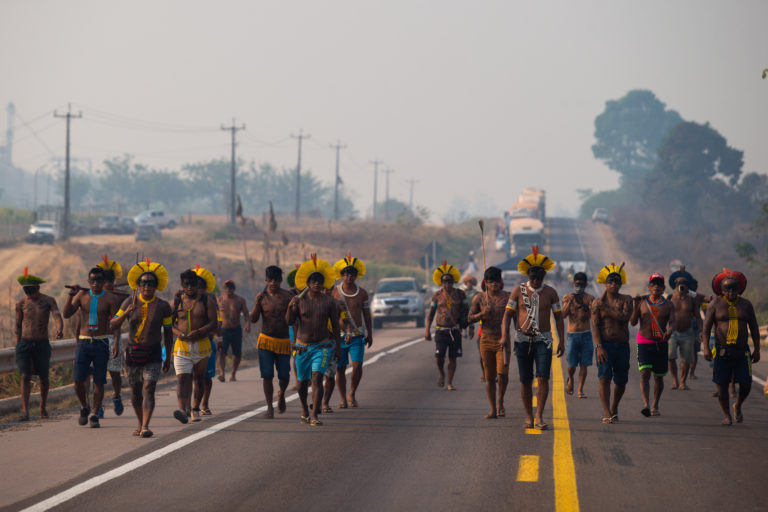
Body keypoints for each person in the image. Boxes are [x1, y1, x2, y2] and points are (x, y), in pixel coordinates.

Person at [501, 247, 564, 430]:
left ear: (544, 277)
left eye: (539, 278)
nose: (536, 282)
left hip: (543, 340)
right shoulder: (517, 291)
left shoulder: (551, 293)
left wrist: (562, 340)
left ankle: (539, 416)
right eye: (533, 278)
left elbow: (558, 318)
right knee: (525, 380)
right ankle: (528, 416)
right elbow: (507, 315)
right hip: (522, 339)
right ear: (528, 277)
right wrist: (504, 336)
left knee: (543, 378)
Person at [109, 260, 173, 437]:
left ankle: (145, 425)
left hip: (153, 353)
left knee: (149, 389)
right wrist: (127, 312)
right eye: (143, 283)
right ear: (138, 285)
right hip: (132, 354)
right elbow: (112, 325)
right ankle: (139, 422)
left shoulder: (163, 306)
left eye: (151, 283)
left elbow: (168, 333)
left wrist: (168, 357)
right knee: (135, 392)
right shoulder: (129, 302)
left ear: (156, 286)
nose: (147, 286)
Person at [286, 255, 341, 426]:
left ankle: (315, 414)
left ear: (324, 283)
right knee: (301, 383)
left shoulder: (330, 302)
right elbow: (289, 321)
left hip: (322, 346)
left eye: (319, 281)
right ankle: (304, 409)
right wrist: (290, 306)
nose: (317, 283)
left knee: (317, 378)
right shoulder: (299, 301)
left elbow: (336, 327)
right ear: (307, 284)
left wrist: (337, 347)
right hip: (302, 347)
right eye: (313, 281)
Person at [63, 266, 120, 428]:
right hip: (84, 342)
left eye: (99, 280)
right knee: (78, 380)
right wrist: (70, 295)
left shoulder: (110, 298)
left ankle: (94, 413)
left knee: (99, 381)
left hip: (101, 342)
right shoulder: (82, 295)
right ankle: (84, 406)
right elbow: (67, 314)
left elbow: (115, 323)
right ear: (88, 281)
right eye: (93, 280)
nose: (96, 283)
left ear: (103, 282)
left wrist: (116, 342)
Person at [701, 269, 761, 425]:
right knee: (721, 385)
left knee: (746, 383)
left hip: (742, 351)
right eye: (728, 290)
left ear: (739, 289)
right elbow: (706, 330)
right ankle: (726, 415)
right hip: (722, 350)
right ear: (722, 290)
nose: (731, 293)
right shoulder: (715, 305)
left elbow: (754, 328)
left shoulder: (746, 305)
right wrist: (706, 348)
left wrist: (757, 349)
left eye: (735, 289)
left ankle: (738, 405)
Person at [14, 268, 63, 421]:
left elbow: (56, 315)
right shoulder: (21, 303)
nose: (30, 294)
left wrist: (59, 329)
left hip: (42, 343)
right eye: (27, 291)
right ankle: (25, 411)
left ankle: (42, 408)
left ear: (38, 288)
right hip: (25, 343)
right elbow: (17, 325)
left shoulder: (48, 300)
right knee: (25, 376)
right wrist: (18, 344)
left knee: (43, 376)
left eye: (32, 291)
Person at [171, 267, 218, 423]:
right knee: (182, 379)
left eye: (192, 284)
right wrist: (179, 334)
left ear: (197, 284)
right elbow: (169, 324)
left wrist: (199, 332)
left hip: (202, 344)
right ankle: (182, 409)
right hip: (181, 345)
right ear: (182, 285)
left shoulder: (207, 300)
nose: (189, 288)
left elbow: (213, 322)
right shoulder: (177, 301)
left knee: (199, 378)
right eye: (186, 285)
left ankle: (195, 408)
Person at [326, 255, 373, 410]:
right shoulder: (334, 292)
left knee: (357, 365)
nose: (349, 276)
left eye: (352, 273)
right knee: (340, 368)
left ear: (356, 275)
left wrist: (369, 334)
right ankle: (342, 399)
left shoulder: (363, 293)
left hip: (357, 336)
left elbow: (367, 315)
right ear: (341, 275)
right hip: (338, 338)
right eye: (346, 273)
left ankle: (352, 393)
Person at [591, 263, 633, 424]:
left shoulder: (627, 300)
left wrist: (606, 309)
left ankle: (615, 406)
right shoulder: (597, 303)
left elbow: (624, 317)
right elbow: (595, 326)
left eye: (617, 282)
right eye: (610, 282)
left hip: (622, 345)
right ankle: (607, 411)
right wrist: (599, 346)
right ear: (605, 284)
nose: (614, 285)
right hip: (605, 345)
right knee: (604, 378)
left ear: (621, 284)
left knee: (621, 381)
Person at [467, 266, 510, 419]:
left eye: (497, 281)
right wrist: (482, 314)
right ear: (486, 282)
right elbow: (469, 318)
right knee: (490, 377)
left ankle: (500, 402)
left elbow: (516, 317)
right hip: (485, 339)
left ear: (501, 282)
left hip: (502, 340)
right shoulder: (479, 298)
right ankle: (492, 409)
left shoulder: (507, 297)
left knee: (502, 374)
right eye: (491, 282)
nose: (494, 285)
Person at [251, 266, 294, 418]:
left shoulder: (288, 297)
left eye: (276, 280)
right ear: (266, 280)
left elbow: (295, 320)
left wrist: (295, 339)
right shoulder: (261, 297)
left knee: (284, 376)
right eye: (270, 280)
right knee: (267, 375)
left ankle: (281, 394)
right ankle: (269, 407)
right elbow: (253, 319)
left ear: (281, 280)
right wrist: (256, 304)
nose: (273, 283)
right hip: (266, 341)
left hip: (283, 341)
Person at [630, 273, 675, 417]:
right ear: (649, 287)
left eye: (659, 285)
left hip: (661, 344)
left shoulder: (668, 305)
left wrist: (669, 331)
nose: (656, 287)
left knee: (659, 377)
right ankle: (646, 404)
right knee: (644, 373)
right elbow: (633, 322)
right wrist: (636, 305)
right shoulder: (642, 302)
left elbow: (673, 322)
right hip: (644, 342)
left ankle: (655, 404)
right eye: (653, 284)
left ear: (663, 289)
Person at [425, 261, 468, 391]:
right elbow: (431, 314)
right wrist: (427, 330)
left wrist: (468, 327)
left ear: (453, 281)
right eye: (445, 281)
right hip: (441, 331)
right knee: (439, 357)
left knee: (453, 358)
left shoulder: (461, 294)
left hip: (455, 331)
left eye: (450, 281)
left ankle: (449, 382)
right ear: (441, 282)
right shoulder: (436, 296)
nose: (447, 284)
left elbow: (466, 312)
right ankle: (442, 374)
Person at [96, 255, 129, 417]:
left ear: (114, 280)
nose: (108, 283)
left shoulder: (120, 296)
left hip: (113, 337)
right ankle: (99, 405)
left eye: (111, 279)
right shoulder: (94, 295)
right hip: (97, 339)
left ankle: (116, 396)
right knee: (98, 375)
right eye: (105, 279)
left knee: (115, 373)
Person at [561, 272, 595, 399]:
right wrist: (570, 302)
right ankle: (570, 379)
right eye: (577, 284)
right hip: (572, 334)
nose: (579, 286)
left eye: (581, 284)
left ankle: (580, 389)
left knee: (584, 364)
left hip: (586, 334)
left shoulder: (590, 298)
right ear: (573, 284)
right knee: (571, 365)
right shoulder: (567, 297)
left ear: (586, 284)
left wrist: (588, 307)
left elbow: (594, 317)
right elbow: (563, 315)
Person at [667, 267, 701, 390]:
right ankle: (675, 380)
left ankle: (683, 381)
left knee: (686, 360)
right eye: (679, 285)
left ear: (688, 287)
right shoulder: (670, 298)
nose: (682, 287)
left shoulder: (691, 299)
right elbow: (663, 313)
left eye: (684, 285)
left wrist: (701, 331)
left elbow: (698, 316)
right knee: (670, 356)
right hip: (673, 332)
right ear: (675, 286)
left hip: (687, 332)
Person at [217, 279, 251, 382]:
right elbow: (214, 314)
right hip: (222, 330)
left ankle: (233, 373)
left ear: (234, 289)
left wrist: (248, 324)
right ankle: (222, 373)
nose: (229, 290)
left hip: (236, 329)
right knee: (221, 352)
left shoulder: (240, 300)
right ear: (224, 289)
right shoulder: (219, 300)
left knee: (237, 353)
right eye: (227, 287)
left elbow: (246, 314)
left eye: (231, 287)